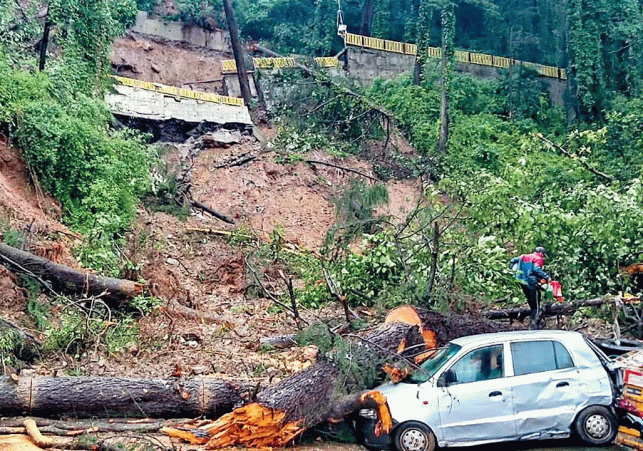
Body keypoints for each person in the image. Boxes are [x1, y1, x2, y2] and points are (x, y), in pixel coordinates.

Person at [509, 246, 551, 329]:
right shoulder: (538, 258)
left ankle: (533, 318)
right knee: (536, 303)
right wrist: (546, 277)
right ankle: (535, 324)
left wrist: (512, 270)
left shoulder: (524, 256)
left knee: (530, 301)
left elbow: (512, 261)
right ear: (542, 254)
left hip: (521, 281)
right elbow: (536, 270)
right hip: (531, 282)